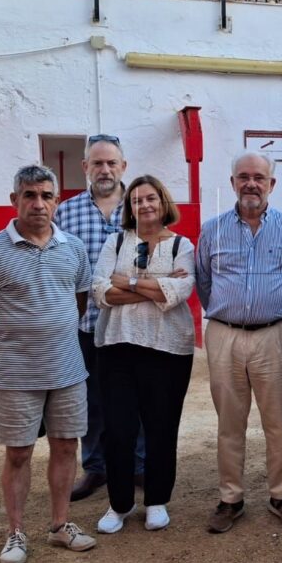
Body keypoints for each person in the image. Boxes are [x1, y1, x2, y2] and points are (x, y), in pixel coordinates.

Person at [0, 164, 97, 563]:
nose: (38, 203)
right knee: (19, 452)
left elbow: (78, 303)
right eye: (29, 195)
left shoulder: (73, 248)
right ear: (14, 200)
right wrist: (14, 340)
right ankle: (16, 532)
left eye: (46, 196)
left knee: (64, 446)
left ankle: (60, 525)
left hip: (68, 368)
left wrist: (51, 334)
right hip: (16, 372)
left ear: (57, 201)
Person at [196, 152, 282, 533]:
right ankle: (231, 498)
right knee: (230, 422)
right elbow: (203, 280)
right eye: (243, 176)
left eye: (259, 177)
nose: (251, 183)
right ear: (232, 183)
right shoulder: (212, 229)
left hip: (275, 335)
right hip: (225, 335)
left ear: (271, 184)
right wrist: (227, 315)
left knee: (277, 422)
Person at [91, 176, 196, 533]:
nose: (145, 205)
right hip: (117, 346)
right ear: (129, 208)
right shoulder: (115, 240)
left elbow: (179, 291)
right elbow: (100, 289)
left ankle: (156, 501)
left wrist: (130, 282)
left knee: (161, 427)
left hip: (167, 351)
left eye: (151, 198)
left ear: (163, 201)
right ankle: (118, 504)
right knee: (118, 429)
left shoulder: (182, 245)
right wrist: (155, 287)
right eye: (136, 200)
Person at [54, 134, 145, 502]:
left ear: (124, 167)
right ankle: (96, 467)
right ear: (85, 168)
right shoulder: (67, 212)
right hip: (84, 326)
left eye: (112, 163)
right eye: (97, 163)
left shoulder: (142, 205)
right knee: (89, 400)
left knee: (135, 398)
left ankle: (138, 465)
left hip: (133, 325)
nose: (104, 170)